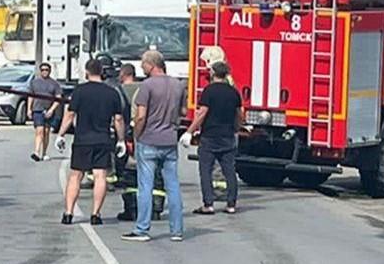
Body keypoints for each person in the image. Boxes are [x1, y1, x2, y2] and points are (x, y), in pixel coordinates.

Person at [123, 50, 185, 242]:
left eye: (143, 63)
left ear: (151, 64)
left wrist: (136, 134)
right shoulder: (178, 85)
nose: (142, 67)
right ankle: (177, 230)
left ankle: (142, 229)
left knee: (145, 186)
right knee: (172, 185)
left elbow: (141, 116)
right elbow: (183, 111)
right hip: (169, 140)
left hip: (149, 139)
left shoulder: (147, 86)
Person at [55, 58, 126, 225]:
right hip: (103, 139)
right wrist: (121, 139)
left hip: (82, 139)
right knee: (100, 176)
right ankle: (96, 214)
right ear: (102, 71)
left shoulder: (79, 91)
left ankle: (68, 213)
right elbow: (118, 119)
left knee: (75, 176)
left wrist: (61, 134)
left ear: (87, 72)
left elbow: (70, 114)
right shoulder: (112, 93)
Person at [183, 61, 243, 215]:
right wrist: (236, 128)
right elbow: (239, 115)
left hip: (210, 136)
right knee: (229, 171)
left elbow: (202, 113)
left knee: (205, 170)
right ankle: (231, 204)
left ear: (213, 73)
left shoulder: (209, 91)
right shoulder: (234, 92)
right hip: (228, 136)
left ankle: (208, 204)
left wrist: (189, 131)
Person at [28, 63, 63, 161]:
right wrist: (29, 109)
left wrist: (52, 110)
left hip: (48, 110)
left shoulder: (54, 84)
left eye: (46, 70)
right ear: (40, 71)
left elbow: (58, 98)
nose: (44, 71)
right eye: (42, 70)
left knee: (46, 132)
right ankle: (36, 152)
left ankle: (44, 153)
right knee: (39, 131)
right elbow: (30, 96)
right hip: (37, 110)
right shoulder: (34, 82)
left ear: (50, 71)